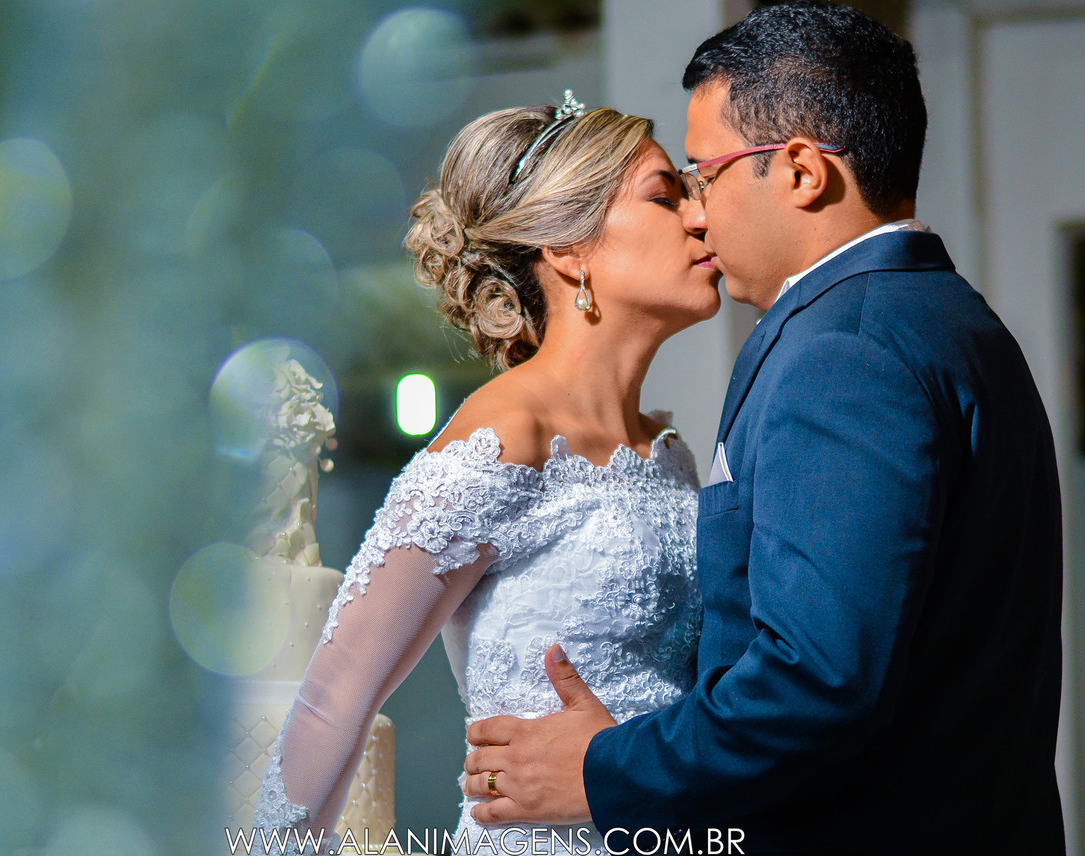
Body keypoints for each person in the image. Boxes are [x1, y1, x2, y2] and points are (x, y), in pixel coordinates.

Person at [460, 4, 1066, 854]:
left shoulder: (841, 353)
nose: (697, 214)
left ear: (801, 172)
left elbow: (814, 680)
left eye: (704, 175)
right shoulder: (955, 322)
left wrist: (601, 771)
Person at [249, 94, 723, 855]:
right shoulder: (504, 434)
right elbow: (338, 691)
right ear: (570, 249)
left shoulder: (667, 453)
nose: (702, 218)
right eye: (666, 197)